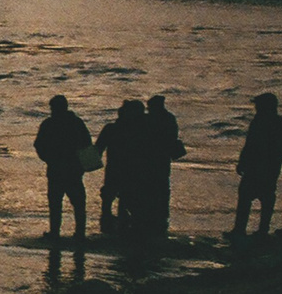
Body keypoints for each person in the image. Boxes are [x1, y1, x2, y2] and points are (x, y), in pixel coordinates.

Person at [32, 95, 92, 242]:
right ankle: (79, 233)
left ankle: (56, 233)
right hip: (72, 168)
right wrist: (84, 165)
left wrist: (49, 159)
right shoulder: (76, 123)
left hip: (58, 168)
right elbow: (87, 143)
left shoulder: (49, 124)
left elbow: (39, 145)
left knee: (57, 202)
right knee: (77, 203)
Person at [232, 91, 282, 240]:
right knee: (263, 198)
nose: (256, 107)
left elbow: (251, 145)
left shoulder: (261, 122)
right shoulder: (281, 124)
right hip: (267, 168)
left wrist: (243, 162)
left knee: (250, 197)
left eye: (258, 104)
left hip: (259, 167)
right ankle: (258, 230)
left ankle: (244, 230)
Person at [94, 100, 146, 236]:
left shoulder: (111, 129)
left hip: (116, 169)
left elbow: (98, 149)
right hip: (130, 171)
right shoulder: (139, 131)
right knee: (124, 201)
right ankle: (123, 229)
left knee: (110, 201)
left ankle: (109, 228)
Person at [141, 95, 185, 240]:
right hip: (162, 159)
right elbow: (172, 137)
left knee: (150, 188)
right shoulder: (169, 118)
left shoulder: (149, 120)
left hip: (150, 159)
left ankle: (150, 215)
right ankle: (162, 216)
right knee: (162, 187)